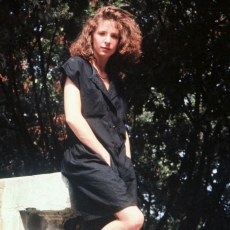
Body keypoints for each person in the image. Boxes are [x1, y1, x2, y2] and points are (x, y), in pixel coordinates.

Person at [60, 6, 143, 230]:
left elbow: (121, 127)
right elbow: (73, 118)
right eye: (102, 33)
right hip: (87, 158)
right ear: (91, 36)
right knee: (133, 220)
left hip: (118, 162)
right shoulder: (76, 66)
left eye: (114, 36)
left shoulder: (116, 81)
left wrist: (127, 161)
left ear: (120, 42)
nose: (107, 40)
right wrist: (104, 154)